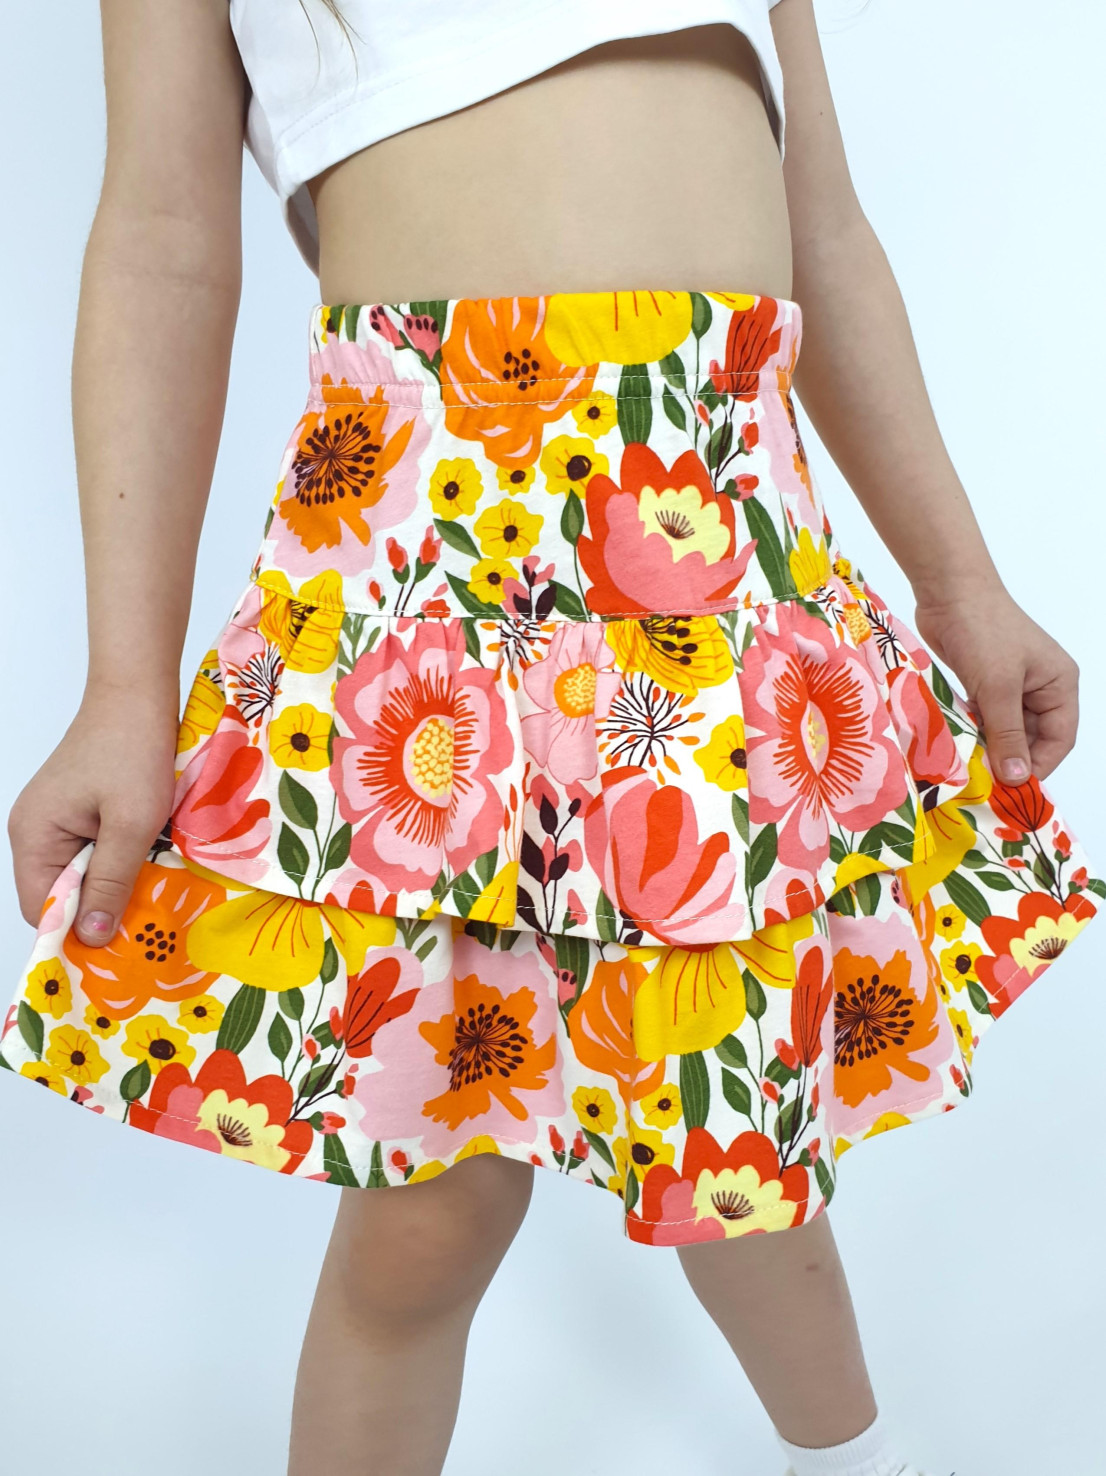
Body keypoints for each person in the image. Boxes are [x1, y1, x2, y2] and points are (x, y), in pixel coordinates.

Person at [3, 3, 1102, 1475]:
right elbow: (161, 240)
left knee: (738, 1147)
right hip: (430, 597)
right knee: (428, 1206)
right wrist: (124, 692)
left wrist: (961, 583)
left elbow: (823, 228)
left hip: (723, 562)